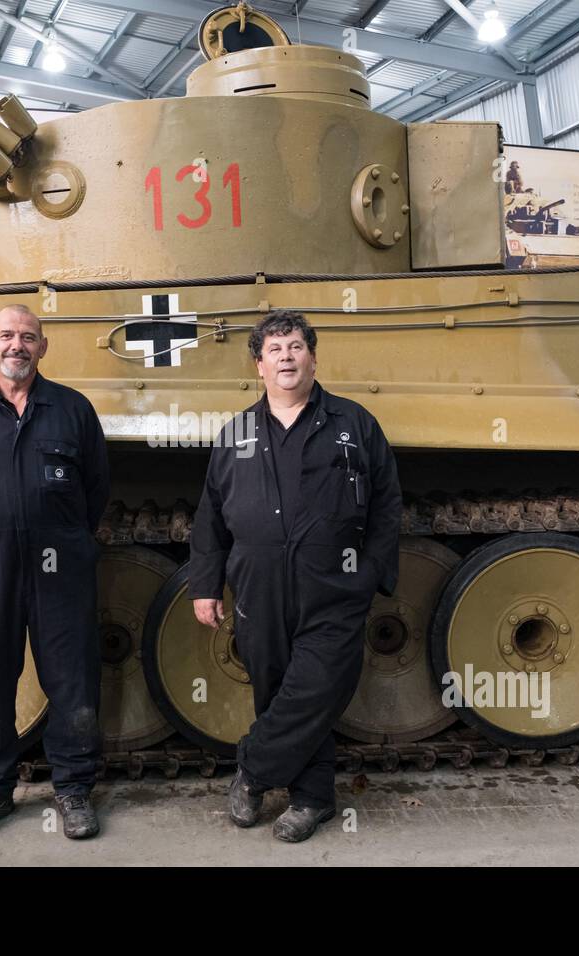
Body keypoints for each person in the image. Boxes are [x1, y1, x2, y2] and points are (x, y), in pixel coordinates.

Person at [189, 310, 401, 842]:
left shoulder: (355, 424)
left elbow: (387, 505)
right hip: (258, 589)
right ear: (258, 365)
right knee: (276, 692)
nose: (286, 356)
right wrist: (205, 585)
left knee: (316, 690)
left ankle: (252, 772)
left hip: (334, 588)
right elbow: (211, 515)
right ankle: (311, 800)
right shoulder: (234, 433)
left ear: (313, 356)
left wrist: (371, 572)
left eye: (296, 346)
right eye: (275, 349)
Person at [0, 303, 110, 841]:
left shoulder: (72, 410)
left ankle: (75, 790)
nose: (17, 345)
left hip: (61, 570)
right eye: (7, 335)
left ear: (42, 347)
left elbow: (96, 492)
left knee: (72, 680)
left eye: (28, 337)